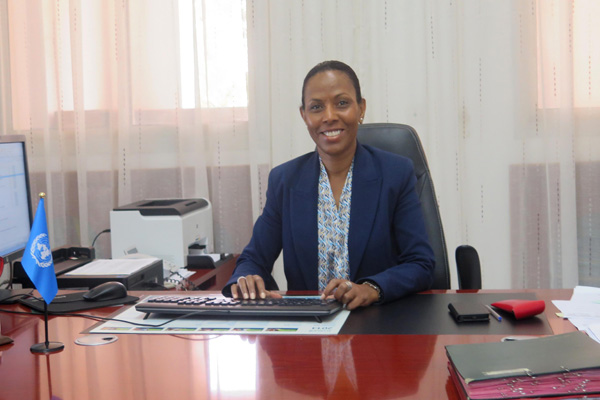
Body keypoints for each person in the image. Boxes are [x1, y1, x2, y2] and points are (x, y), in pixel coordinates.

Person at [222, 60, 435, 309]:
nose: (329, 116)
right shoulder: (284, 181)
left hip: (378, 323)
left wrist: (372, 289)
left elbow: (421, 264)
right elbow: (253, 259)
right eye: (316, 107)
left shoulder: (395, 173)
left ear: (361, 108)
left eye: (342, 103)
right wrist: (247, 279)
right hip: (307, 327)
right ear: (304, 116)